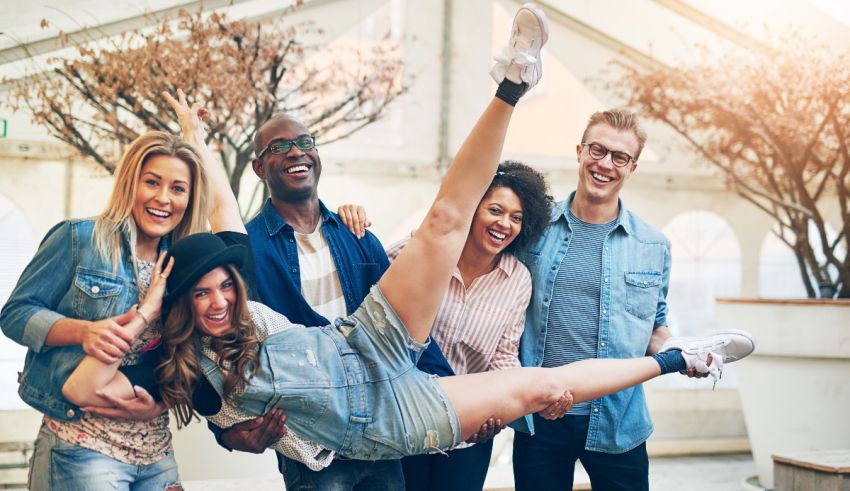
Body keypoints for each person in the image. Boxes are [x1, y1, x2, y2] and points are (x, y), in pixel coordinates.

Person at [60, 1, 754, 469]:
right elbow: (86, 385)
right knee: (543, 386)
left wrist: (196, 138)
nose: (217, 300)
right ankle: (682, 361)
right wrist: (153, 304)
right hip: (386, 417)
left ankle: (513, 82)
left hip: (371, 339)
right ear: (178, 301)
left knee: (444, 225)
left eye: (222, 285)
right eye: (199, 292)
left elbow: (216, 201)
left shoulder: (244, 291)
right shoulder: (180, 367)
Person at [339, 161, 575, 491]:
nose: (504, 224)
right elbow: (365, 286)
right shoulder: (422, 250)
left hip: (468, 433)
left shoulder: (517, 279)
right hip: (403, 424)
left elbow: (503, 359)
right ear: (473, 208)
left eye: (516, 217)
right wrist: (347, 224)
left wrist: (502, 410)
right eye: (495, 210)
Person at [0, 126, 210, 490]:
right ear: (131, 182)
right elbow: (16, 313)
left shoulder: (185, 265)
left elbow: (191, 352)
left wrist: (159, 403)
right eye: (152, 182)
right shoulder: (79, 239)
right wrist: (84, 332)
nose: (163, 198)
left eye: (178, 189)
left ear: (190, 199)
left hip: (156, 453)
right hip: (81, 447)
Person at [509, 108, 694, 490]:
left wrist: (682, 352)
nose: (605, 164)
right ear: (579, 151)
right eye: (598, 150)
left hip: (618, 420)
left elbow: (654, 327)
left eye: (620, 157)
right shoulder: (533, 229)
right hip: (540, 418)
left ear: (632, 168)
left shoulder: (653, 245)